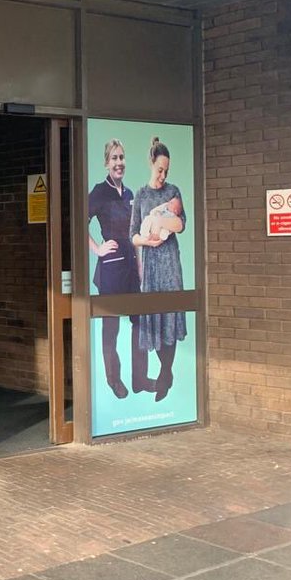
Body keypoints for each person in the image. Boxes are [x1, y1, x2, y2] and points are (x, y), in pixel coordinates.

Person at [87, 139, 148, 399]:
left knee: (139, 324)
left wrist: (140, 262)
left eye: (121, 157)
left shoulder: (131, 195)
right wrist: (97, 248)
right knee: (111, 328)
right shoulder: (99, 192)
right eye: (114, 158)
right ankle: (114, 380)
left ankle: (140, 379)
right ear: (106, 162)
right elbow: (78, 223)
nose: (119, 162)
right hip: (111, 269)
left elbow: (134, 233)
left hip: (131, 268)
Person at [131, 136, 187, 402]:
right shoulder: (141, 194)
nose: (163, 175)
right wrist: (147, 241)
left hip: (170, 264)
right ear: (151, 164)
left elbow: (180, 225)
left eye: (167, 170)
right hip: (152, 264)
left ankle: (165, 374)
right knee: (156, 318)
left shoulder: (173, 191)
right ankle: (165, 373)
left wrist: (163, 214)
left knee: (171, 317)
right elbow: (133, 234)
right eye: (160, 169)